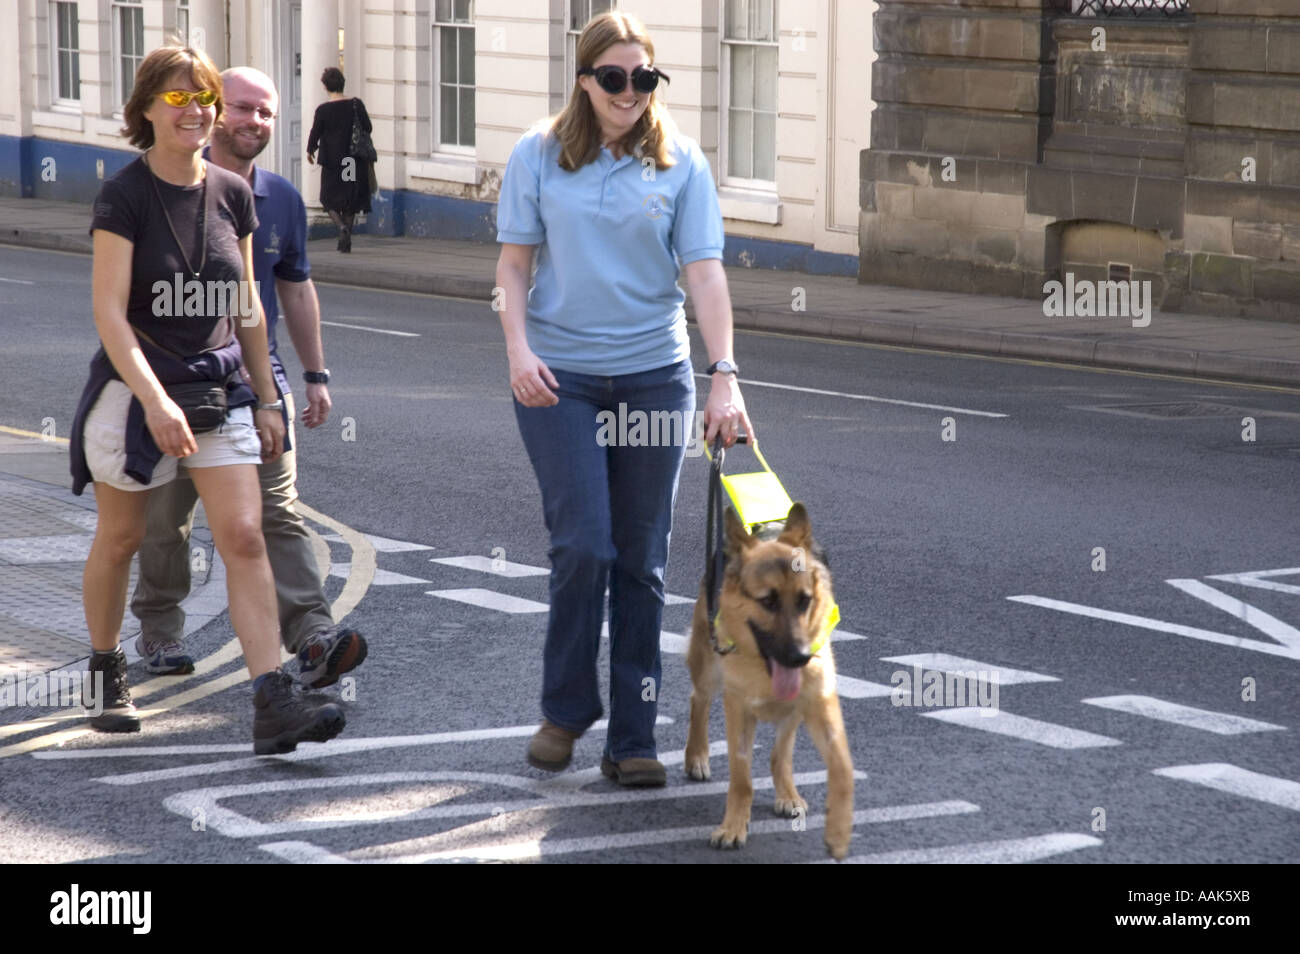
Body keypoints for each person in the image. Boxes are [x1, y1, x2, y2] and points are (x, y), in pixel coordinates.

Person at [495, 11, 753, 786]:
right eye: (614, 78)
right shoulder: (538, 155)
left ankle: (633, 737)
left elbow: (704, 274)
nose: (631, 92)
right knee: (585, 546)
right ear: (585, 80)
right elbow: (512, 269)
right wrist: (517, 350)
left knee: (641, 561)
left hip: (653, 376)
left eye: (645, 78)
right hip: (559, 378)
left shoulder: (681, 164)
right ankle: (566, 710)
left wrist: (724, 373)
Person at [69, 45, 345, 754]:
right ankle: (106, 669)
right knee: (125, 537)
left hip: (217, 389)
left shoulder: (233, 193)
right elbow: (110, 315)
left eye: (204, 99)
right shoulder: (122, 196)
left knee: (246, 535)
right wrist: (155, 402)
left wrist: (267, 395)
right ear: (146, 112)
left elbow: (248, 305)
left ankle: (271, 698)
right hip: (139, 389)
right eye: (178, 98)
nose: (195, 111)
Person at [128, 66, 368, 690]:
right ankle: (159, 631)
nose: (253, 122)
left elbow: (292, 288)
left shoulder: (281, 198)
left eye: (265, 112)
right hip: (173, 383)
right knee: (164, 519)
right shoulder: (161, 189)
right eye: (241, 108)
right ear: (212, 109)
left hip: (256, 382)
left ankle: (312, 635)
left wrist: (311, 375)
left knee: (277, 513)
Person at [305, 67, 373, 252]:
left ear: (326, 86)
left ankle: (341, 228)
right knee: (349, 197)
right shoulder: (355, 105)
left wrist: (310, 151)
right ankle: (346, 238)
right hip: (350, 161)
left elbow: (315, 132)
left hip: (331, 161)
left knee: (328, 199)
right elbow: (368, 127)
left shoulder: (323, 110)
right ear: (343, 84)